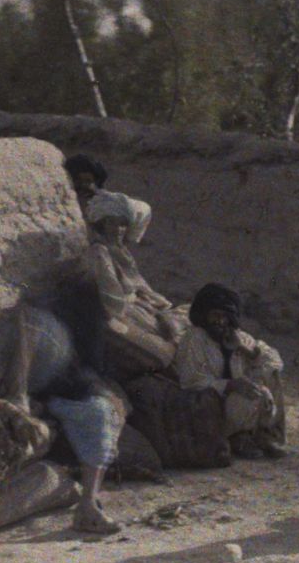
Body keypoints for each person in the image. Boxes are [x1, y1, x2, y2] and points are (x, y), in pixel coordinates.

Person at [0, 277, 127, 537]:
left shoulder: (75, 331)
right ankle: (87, 504)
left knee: (100, 413)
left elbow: (87, 375)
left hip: (57, 395)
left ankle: (88, 505)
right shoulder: (37, 323)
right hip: (15, 392)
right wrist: (20, 393)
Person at [174, 283, 288, 459]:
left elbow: (272, 357)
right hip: (208, 405)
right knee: (244, 395)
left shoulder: (235, 335)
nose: (220, 321)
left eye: (224, 317)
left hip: (236, 399)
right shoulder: (195, 339)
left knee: (271, 374)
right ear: (204, 315)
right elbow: (191, 381)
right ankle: (236, 439)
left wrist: (246, 350)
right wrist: (230, 385)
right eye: (215, 316)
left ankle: (265, 436)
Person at [83, 189, 185, 377]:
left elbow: (142, 287)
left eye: (123, 224)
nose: (119, 230)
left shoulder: (122, 253)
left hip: (138, 310)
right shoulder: (99, 252)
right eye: (113, 223)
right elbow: (113, 302)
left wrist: (161, 310)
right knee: (164, 354)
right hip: (116, 317)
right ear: (102, 223)